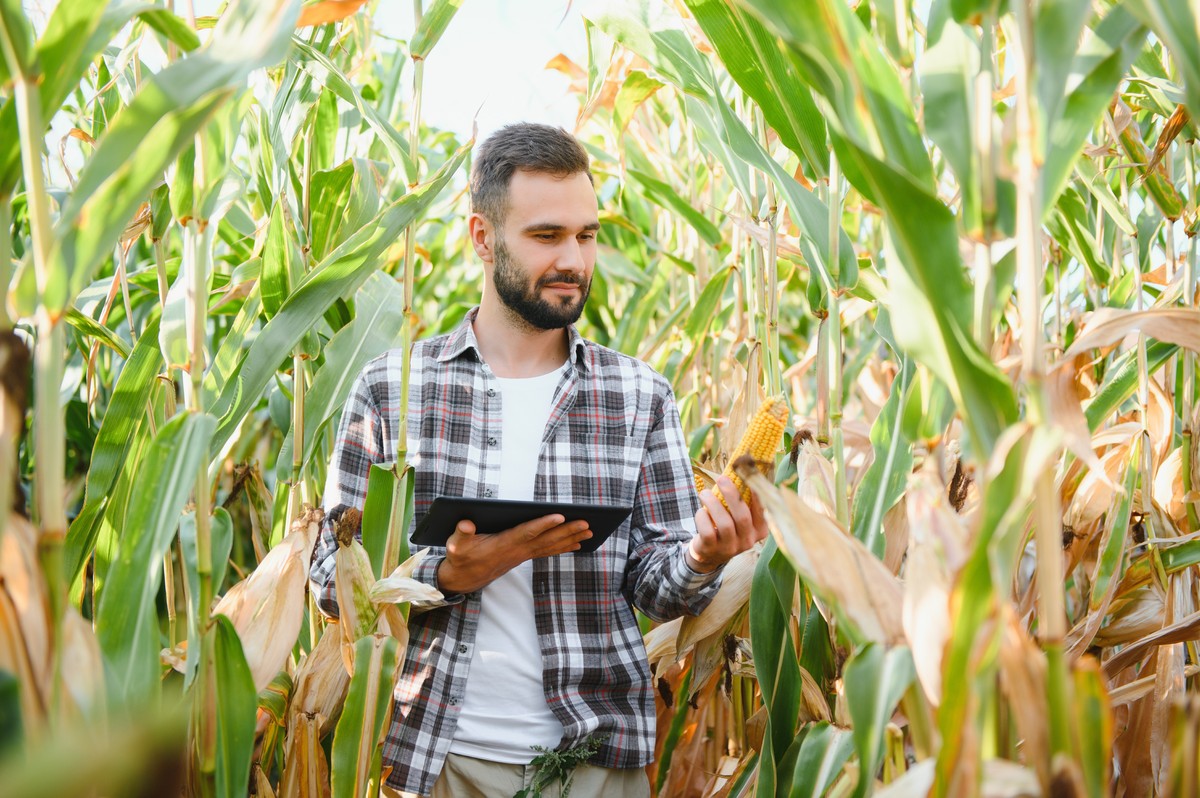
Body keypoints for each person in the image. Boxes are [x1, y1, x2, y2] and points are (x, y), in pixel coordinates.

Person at [309, 123, 768, 798]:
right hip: (437, 758)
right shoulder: (394, 388)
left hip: (594, 763)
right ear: (482, 237)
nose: (574, 260)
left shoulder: (638, 396)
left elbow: (657, 588)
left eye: (587, 235)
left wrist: (703, 555)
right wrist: (447, 574)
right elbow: (330, 578)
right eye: (547, 236)